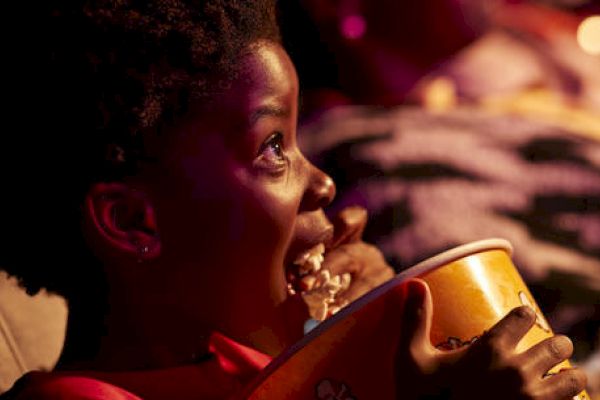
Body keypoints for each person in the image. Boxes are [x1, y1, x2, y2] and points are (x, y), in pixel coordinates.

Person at [0, 1, 587, 399]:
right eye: (273, 147)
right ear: (131, 221)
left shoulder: (255, 363)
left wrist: (361, 339)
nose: (325, 185)